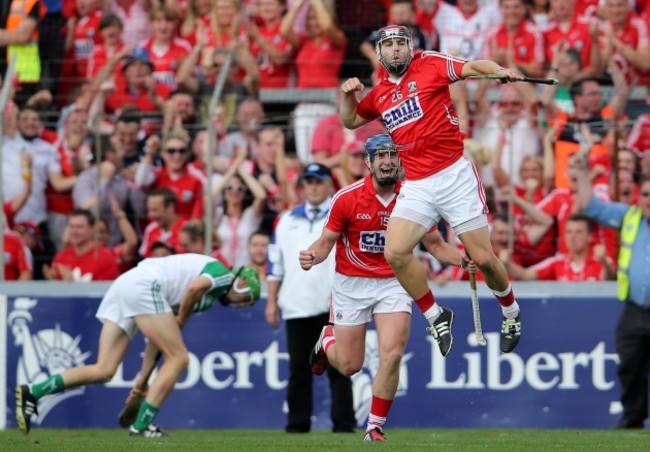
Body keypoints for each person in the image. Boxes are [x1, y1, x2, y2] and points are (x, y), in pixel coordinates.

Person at [339, 25, 523, 356]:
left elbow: (471, 67)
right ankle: (436, 315)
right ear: (379, 53)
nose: (395, 49)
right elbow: (350, 121)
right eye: (389, 45)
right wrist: (347, 95)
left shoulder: (430, 64)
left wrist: (497, 72)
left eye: (400, 43)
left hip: (454, 176)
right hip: (418, 183)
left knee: (483, 258)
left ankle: (510, 312)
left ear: (410, 48)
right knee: (395, 252)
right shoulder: (379, 94)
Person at [299, 134, 471, 442]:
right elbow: (326, 243)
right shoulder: (347, 198)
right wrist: (312, 255)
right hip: (352, 284)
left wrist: (464, 260)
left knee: (392, 354)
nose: (388, 161)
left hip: (395, 282)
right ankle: (327, 340)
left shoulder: (413, 198)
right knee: (351, 365)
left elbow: (434, 244)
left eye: (392, 155)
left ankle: (374, 427)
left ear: (400, 160)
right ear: (368, 162)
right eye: (380, 156)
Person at [15, 253, 261, 437]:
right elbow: (193, 289)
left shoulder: (206, 299)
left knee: (104, 369)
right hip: (145, 285)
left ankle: (34, 391)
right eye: (245, 298)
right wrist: (182, 319)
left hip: (126, 284)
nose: (241, 305)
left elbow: (157, 342)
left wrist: (142, 382)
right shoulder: (222, 274)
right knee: (181, 359)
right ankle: (142, 426)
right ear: (241, 283)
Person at [266, 162, 356, 434]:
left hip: (335, 305)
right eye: (309, 182)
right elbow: (275, 265)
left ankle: (344, 425)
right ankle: (297, 424)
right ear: (302, 186)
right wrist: (271, 301)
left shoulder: (342, 214)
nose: (314, 187)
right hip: (296, 304)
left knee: (340, 367)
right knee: (298, 369)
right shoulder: (286, 220)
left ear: (329, 184)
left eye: (319, 181)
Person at [574, 157, 650, 429]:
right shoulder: (629, 216)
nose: (648, 200)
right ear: (638, 198)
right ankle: (633, 417)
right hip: (635, 309)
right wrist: (583, 171)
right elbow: (590, 207)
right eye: (645, 194)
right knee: (629, 365)